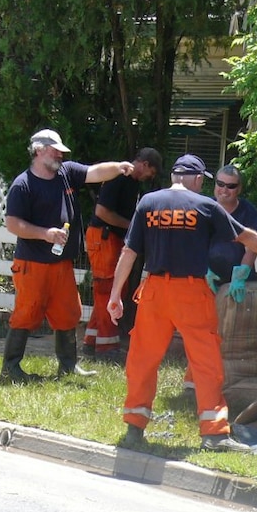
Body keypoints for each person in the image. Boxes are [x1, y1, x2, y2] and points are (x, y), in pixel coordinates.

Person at [106, 154, 257, 452]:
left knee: (142, 360)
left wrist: (115, 295)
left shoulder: (147, 203)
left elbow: (129, 252)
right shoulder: (205, 206)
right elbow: (246, 237)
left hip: (155, 291)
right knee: (206, 362)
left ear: (174, 176)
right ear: (198, 179)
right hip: (192, 292)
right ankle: (213, 434)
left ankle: (134, 429)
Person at [0, 128, 135, 384]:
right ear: (39, 151)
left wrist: (119, 167)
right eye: (55, 150)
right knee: (26, 314)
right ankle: (10, 368)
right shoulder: (23, 185)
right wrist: (45, 234)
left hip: (61, 264)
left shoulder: (66, 173)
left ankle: (68, 366)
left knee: (67, 313)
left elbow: (95, 172)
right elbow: (13, 224)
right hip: (32, 263)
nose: (60, 155)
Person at [183, 164, 257, 394]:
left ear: (239, 189)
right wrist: (202, 270)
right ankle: (194, 381)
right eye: (220, 184)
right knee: (201, 329)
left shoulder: (249, 212)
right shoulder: (203, 208)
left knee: (234, 332)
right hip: (206, 279)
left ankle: (228, 381)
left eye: (231, 186)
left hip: (238, 282)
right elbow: (192, 245)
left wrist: (242, 275)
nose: (224, 190)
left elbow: (253, 246)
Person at [83, 147, 162, 363]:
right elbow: (102, 212)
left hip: (112, 238)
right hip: (103, 236)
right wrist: (133, 227)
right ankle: (107, 349)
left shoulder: (132, 183)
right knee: (107, 290)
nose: (149, 178)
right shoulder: (119, 176)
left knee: (111, 288)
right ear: (144, 164)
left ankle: (91, 342)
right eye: (151, 173)